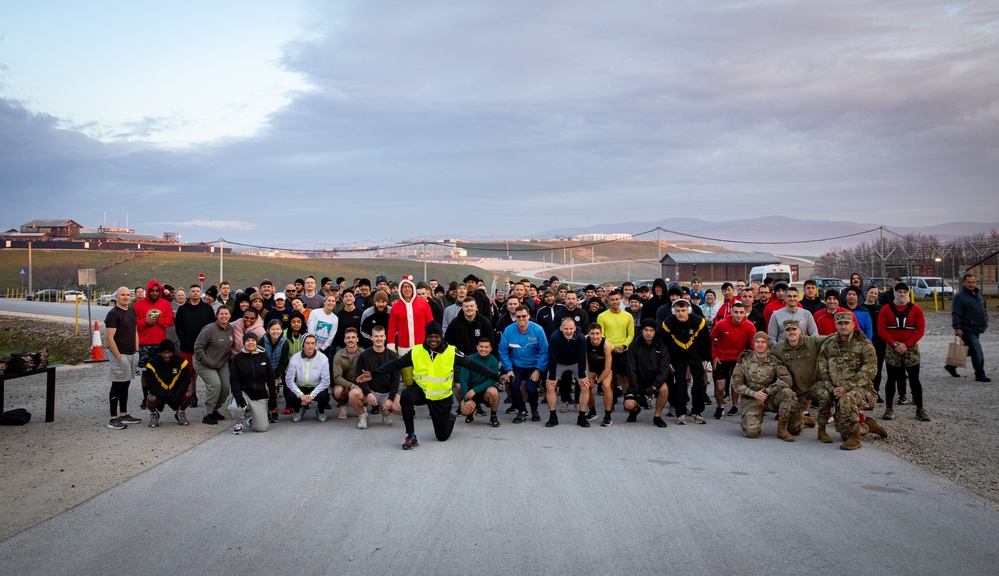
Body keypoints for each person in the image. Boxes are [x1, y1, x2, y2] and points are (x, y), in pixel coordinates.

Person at [356, 321, 501, 450]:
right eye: (430, 336)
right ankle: (411, 436)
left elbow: (474, 365)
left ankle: (450, 418)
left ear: (441, 337)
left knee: (442, 436)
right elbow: (395, 364)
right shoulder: (417, 351)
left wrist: (497, 376)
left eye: (436, 336)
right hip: (422, 390)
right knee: (406, 396)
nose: (433, 339)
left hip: (441, 396)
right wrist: (374, 374)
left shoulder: (452, 352)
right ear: (426, 337)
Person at [809, 312, 888, 450]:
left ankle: (855, 439)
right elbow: (823, 368)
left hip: (862, 390)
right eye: (840, 323)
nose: (843, 326)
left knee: (846, 399)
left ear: (853, 324)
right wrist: (831, 388)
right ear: (836, 325)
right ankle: (866, 426)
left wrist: (846, 387)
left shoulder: (863, 344)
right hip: (836, 389)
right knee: (843, 431)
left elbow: (870, 371)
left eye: (846, 323)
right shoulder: (829, 343)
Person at [878, 282, 930, 421]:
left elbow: (920, 330)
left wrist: (907, 344)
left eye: (904, 292)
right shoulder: (886, 309)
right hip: (892, 347)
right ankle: (889, 409)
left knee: (914, 380)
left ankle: (919, 409)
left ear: (908, 293)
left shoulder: (916, 310)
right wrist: (894, 344)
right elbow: (881, 330)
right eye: (899, 291)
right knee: (891, 379)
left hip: (911, 348)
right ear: (894, 292)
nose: (901, 294)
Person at [731, 332, 797, 441]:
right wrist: (755, 394)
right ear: (753, 343)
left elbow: (787, 380)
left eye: (763, 342)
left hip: (769, 397)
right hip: (751, 399)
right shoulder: (744, 360)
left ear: (767, 344)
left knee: (788, 394)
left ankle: (782, 429)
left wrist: (767, 391)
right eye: (757, 342)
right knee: (752, 433)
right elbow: (736, 384)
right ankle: (751, 418)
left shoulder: (774, 360)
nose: (760, 344)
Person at [659, 299, 711, 425]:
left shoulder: (699, 322)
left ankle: (697, 412)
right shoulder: (668, 323)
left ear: (688, 310)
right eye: (678, 311)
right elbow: (664, 344)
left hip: (696, 356)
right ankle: (680, 413)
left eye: (683, 310)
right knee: (680, 384)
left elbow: (706, 341)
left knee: (699, 383)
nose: (681, 313)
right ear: (673, 311)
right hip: (678, 357)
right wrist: (668, 361)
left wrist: (706, 358)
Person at [771, 319, 825, 434]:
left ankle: (823, 429)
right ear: (784, 332)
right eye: (788, 330)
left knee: (826, 396)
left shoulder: (812, 341)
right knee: (794, 430)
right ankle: (801, 419)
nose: (791, 332)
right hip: (796, 391)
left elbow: (832, 338)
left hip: (813, 386)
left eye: (794, 329)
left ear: (800, 330)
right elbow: (768, 364)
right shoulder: (777, 349)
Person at [499, 305, 550, 423]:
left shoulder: (538, 329)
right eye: (518, 317)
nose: (521, 319)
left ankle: (534, 408)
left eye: (524, 316)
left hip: (533, 365)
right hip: (516, 364)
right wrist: (508, 369)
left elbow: (545, 351)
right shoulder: (509, 330)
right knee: (513, 385)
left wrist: (538, 369)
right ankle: (521, 410)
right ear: (515, 317)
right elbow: (503, 351)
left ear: (528, 316)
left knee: (531, 389)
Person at [710, 302, 757, 419]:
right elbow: (710, 338)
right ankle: (720, 407)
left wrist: (750, 360)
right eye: (736, 312)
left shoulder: (750, 326)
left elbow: (753, 345)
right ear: (731, 312)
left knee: (735, 384)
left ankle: (735, 406)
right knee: (720, 386)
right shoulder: (722, 323)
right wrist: (713, 356)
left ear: (745, 313)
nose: (738, 315)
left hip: (738, 358)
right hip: (721, 358)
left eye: (741, 312)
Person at [133, 279, 175, 408]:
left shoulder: (165, 304)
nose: (155, 293)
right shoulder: (138, 305)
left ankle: (160, 395)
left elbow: (170, 321)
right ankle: (146, 397)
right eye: (152, 291)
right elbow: (134, 323)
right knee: (145, 372)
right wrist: (146, 322)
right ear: (148, 291)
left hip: (160, 343)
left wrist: (159, 321)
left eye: (157, 291)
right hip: (144, 344)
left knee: (161, 371)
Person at [350, 325, 402, 429]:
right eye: (376, 336)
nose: (379, 339)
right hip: (370, 392)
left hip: (386, 393)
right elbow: (358, 377)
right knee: (353, 394)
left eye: (381, 336)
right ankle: (363, 416)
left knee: (403, 407)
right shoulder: (364, 355)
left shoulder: (392, 356)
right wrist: (368, 393)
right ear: (372, 337)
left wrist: (390, 399)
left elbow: (396, 379)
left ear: (385, 337)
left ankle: (385, 411)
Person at [174, 284, 216, 410]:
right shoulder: (182, 310)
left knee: (208, 374)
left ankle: (211, 398)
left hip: (205, 347)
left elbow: (212, 326)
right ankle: (192, 396)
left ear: (201, 293)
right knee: (189, 374)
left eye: (198, 291)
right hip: (187, 347)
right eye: (193, 291)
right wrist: (184, 341)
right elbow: (179, 328)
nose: (195, 293)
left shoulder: (207, 309)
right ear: (189, 293)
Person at [105, 286, 141, 429]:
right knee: (117, 384)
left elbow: (135, 331)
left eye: (128, 295)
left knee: (126, 384)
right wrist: (118, 357)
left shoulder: (131, 311)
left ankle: (124, 414)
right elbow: (109, 337)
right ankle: (113, 418)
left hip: (132, 353)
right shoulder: (113, 314)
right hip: (120, 355)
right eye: (123, 295)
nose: (126, 297)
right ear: (116, 297)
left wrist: (136, 349)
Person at [623, 319, 671, 428]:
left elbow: (664, 369)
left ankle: (657, 417)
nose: (648, 333)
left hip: (654, 380)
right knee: (628, 405)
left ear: (655, 332)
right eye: (646, 330)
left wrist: (654, 386)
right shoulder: (634, 345)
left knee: (664, 389)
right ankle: (635, 410)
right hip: (638, 381)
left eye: (651, 330)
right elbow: (631, 369)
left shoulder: (661, 346)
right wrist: (637, 392)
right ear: (641, 330)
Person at [192, 306, 235, 425]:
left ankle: (215, 409)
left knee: (226, 387)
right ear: (217, 315)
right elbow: (198, 347)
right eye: (221, 314)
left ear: (230, 315)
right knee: (215, 384)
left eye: (226, 314)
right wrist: (207, 361)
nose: (224, 316)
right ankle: (208, 413)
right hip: (204, 362)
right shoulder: (209, 329)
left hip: (221, 362)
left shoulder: (230, 329)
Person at [387, 276, 433, 385]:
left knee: (423, 378)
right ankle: (409, 401)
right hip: (404, 349)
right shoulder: (396, 307)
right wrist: (391, 348)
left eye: (409, 287)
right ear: (400, 289)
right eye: (404, 287)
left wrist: (432, 343)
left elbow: (431, 325)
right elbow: (392, 329)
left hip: (422, 348)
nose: (407, 289)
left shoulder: (423, 304)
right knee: (408, 380)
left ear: (412, 288)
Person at [544, 318, 590, 427]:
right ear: (560, 328)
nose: (568, 331)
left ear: (575, 328)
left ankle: (582, 416)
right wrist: (552, 377)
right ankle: (553, 416)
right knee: (550, 386)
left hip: (576, 362)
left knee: (585, 386)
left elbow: (582, 357)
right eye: (565, 329)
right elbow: (552, 358)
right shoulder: (554, 337)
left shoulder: (581, 338)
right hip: (559, 362)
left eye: (570, 329)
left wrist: (582, 376)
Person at [228, 332, 275, 435]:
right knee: (235, 407)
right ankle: (239, 423)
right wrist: (238, 395)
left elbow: (271, 378)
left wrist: (272, 397)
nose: (250, 343)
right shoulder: (237, 359)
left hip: (260, 395)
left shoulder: (264, 357)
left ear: (256, 342)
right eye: (248, 341)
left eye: (253, 340)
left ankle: (253, 419)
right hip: (244, 392)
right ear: (244, 343)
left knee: (261, 428)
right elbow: (234, 379)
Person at [142, 339, 192, 427]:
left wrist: (178, 392)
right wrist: (164, 394)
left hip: (175, 393)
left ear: (173, 352)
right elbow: (151, 384)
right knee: (150, 398)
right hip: (160, 394)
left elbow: (186, 380)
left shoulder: (181, 362)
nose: (166, 355)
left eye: (169, 352)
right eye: (163, 353)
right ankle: (154, 415)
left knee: (188, 394)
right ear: (160, 352)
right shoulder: (151, 365)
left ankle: (180, 413)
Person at [949, 273, 990, 382]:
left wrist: (985, 318)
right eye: (968, 282)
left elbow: (983, 307)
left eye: (973, 282)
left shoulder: (978, 294)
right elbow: (956, 313)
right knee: (977, 350)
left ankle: (951, 366)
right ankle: (980, 374)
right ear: (963, 283)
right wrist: (957, 327)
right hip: (967, 328)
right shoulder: (959, 297)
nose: (971, 284)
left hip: (978, 327)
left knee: (971, 349)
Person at [284, 334, 333, 422]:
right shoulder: (295, 358)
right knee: (290, 396)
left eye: (312, 343)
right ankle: (298, 410)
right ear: (303, 344)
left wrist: (312, 395)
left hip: (316, 387)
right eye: (307, 343)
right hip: (300, 387)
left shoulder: (323, 358)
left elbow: (326, 381)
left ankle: (320, 411)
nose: (310, 346)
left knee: (325, 396)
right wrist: (300, 395)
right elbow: (289, 380)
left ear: (315, 344)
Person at [459, 337, 502, 427]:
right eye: (481, 347)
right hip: (471, 393)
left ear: (490, 349)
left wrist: (476, 390)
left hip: (484, 391)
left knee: (493, 391)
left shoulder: (493, 360)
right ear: (477, 347)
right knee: (464, 411)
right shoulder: (469, 359)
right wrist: (467, 400)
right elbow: (463, 380)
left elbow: (492, 380)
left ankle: (493, 416)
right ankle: (471, 411)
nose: (484, 349)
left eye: (486, 347)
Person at [258, 319, 289, 424]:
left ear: (281, 330)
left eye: (278, 329)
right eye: (273, 329)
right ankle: (265, 412)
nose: (275, 331)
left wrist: (277, 374)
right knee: (264, 391)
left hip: (276, 371)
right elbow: (258, 357)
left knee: (273, 391)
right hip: (262, 370)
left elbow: (284, 360)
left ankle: (274, 412)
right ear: (268, 330)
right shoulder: (262, 341)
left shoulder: (284, 342)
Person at [584, 322, 615, 425]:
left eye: (597, 333)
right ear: (588, 333)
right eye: (592, 333)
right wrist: (590, 378)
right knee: (586, 385)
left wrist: (597, 382)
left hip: (604, 368)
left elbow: (607, 369)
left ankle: (608, 416)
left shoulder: (606, 344)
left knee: (606, 386)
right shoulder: (585, 340)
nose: (595, 336)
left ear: (601, 334)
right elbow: (586, 361)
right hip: (592, 366)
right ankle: (592, 412)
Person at [331, 328, 363, 420]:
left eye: (353, 337)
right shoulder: (338, 355)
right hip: (344, 385)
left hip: (360, 384)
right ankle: (343, 407)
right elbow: (337, 377)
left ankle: (362, 407)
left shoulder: (363, 354)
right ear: (344, 340)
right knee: (337, 391)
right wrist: (351, 385)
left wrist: (358, 385)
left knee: (366, 389)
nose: (350, 340)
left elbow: (367, 374)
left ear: (357, 339)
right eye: (348, 338)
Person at [307, 295, 340, 360]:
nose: (331, 303)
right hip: (311, 346)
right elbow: (310, 330)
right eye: (329, 300)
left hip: (323, 350)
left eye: (333, 301)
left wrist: (321, 349)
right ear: (324, 302)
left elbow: (331, 336)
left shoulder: (335, 319)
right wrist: (314, 347)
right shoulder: (315, 313)